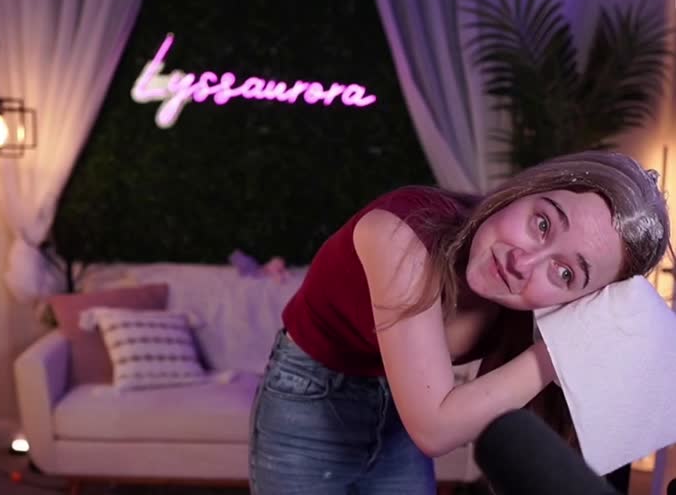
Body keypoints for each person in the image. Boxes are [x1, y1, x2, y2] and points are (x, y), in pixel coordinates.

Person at [248, 151, 671, 495]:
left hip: (398, 405)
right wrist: (560, 353)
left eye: (565, 273)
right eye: (542, 223)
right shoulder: (399, 232)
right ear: (526, 191)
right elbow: (434, 428)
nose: (523, 262)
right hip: (311, 396)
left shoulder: (538, 308)